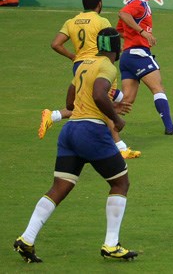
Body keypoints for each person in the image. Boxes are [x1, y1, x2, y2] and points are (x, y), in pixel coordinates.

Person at [13, 28, 139, 264]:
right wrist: (117, 118)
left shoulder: (84, 64)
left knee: (59, 187)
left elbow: (70, 101)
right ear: (115, 48)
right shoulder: (108, 68)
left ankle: (27, 238)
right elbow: (100, 94)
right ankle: (111, 244)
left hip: (70, 132)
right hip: (91, 132)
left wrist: (103, 106)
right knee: (120, 182)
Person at [41, 0, 140, 159]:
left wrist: (73, 56)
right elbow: (111, 41)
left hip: (80, 65)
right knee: (103, 102)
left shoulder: (71, 22)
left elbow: (55, 44)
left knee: (94, 102)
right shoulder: (101, 21)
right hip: (99, 66)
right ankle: (120, 147)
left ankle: (54, 115)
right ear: (99, 4)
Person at [116, 0, 173, 136]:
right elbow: (123, 14)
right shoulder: (138, 3)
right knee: (158, 88)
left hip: (127, 57)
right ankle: (170, 127)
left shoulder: (133, 3)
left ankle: (99, 125)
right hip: (138, 54)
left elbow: (119, 31)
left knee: (127, 100)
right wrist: (143, 33)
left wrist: (132, 36)